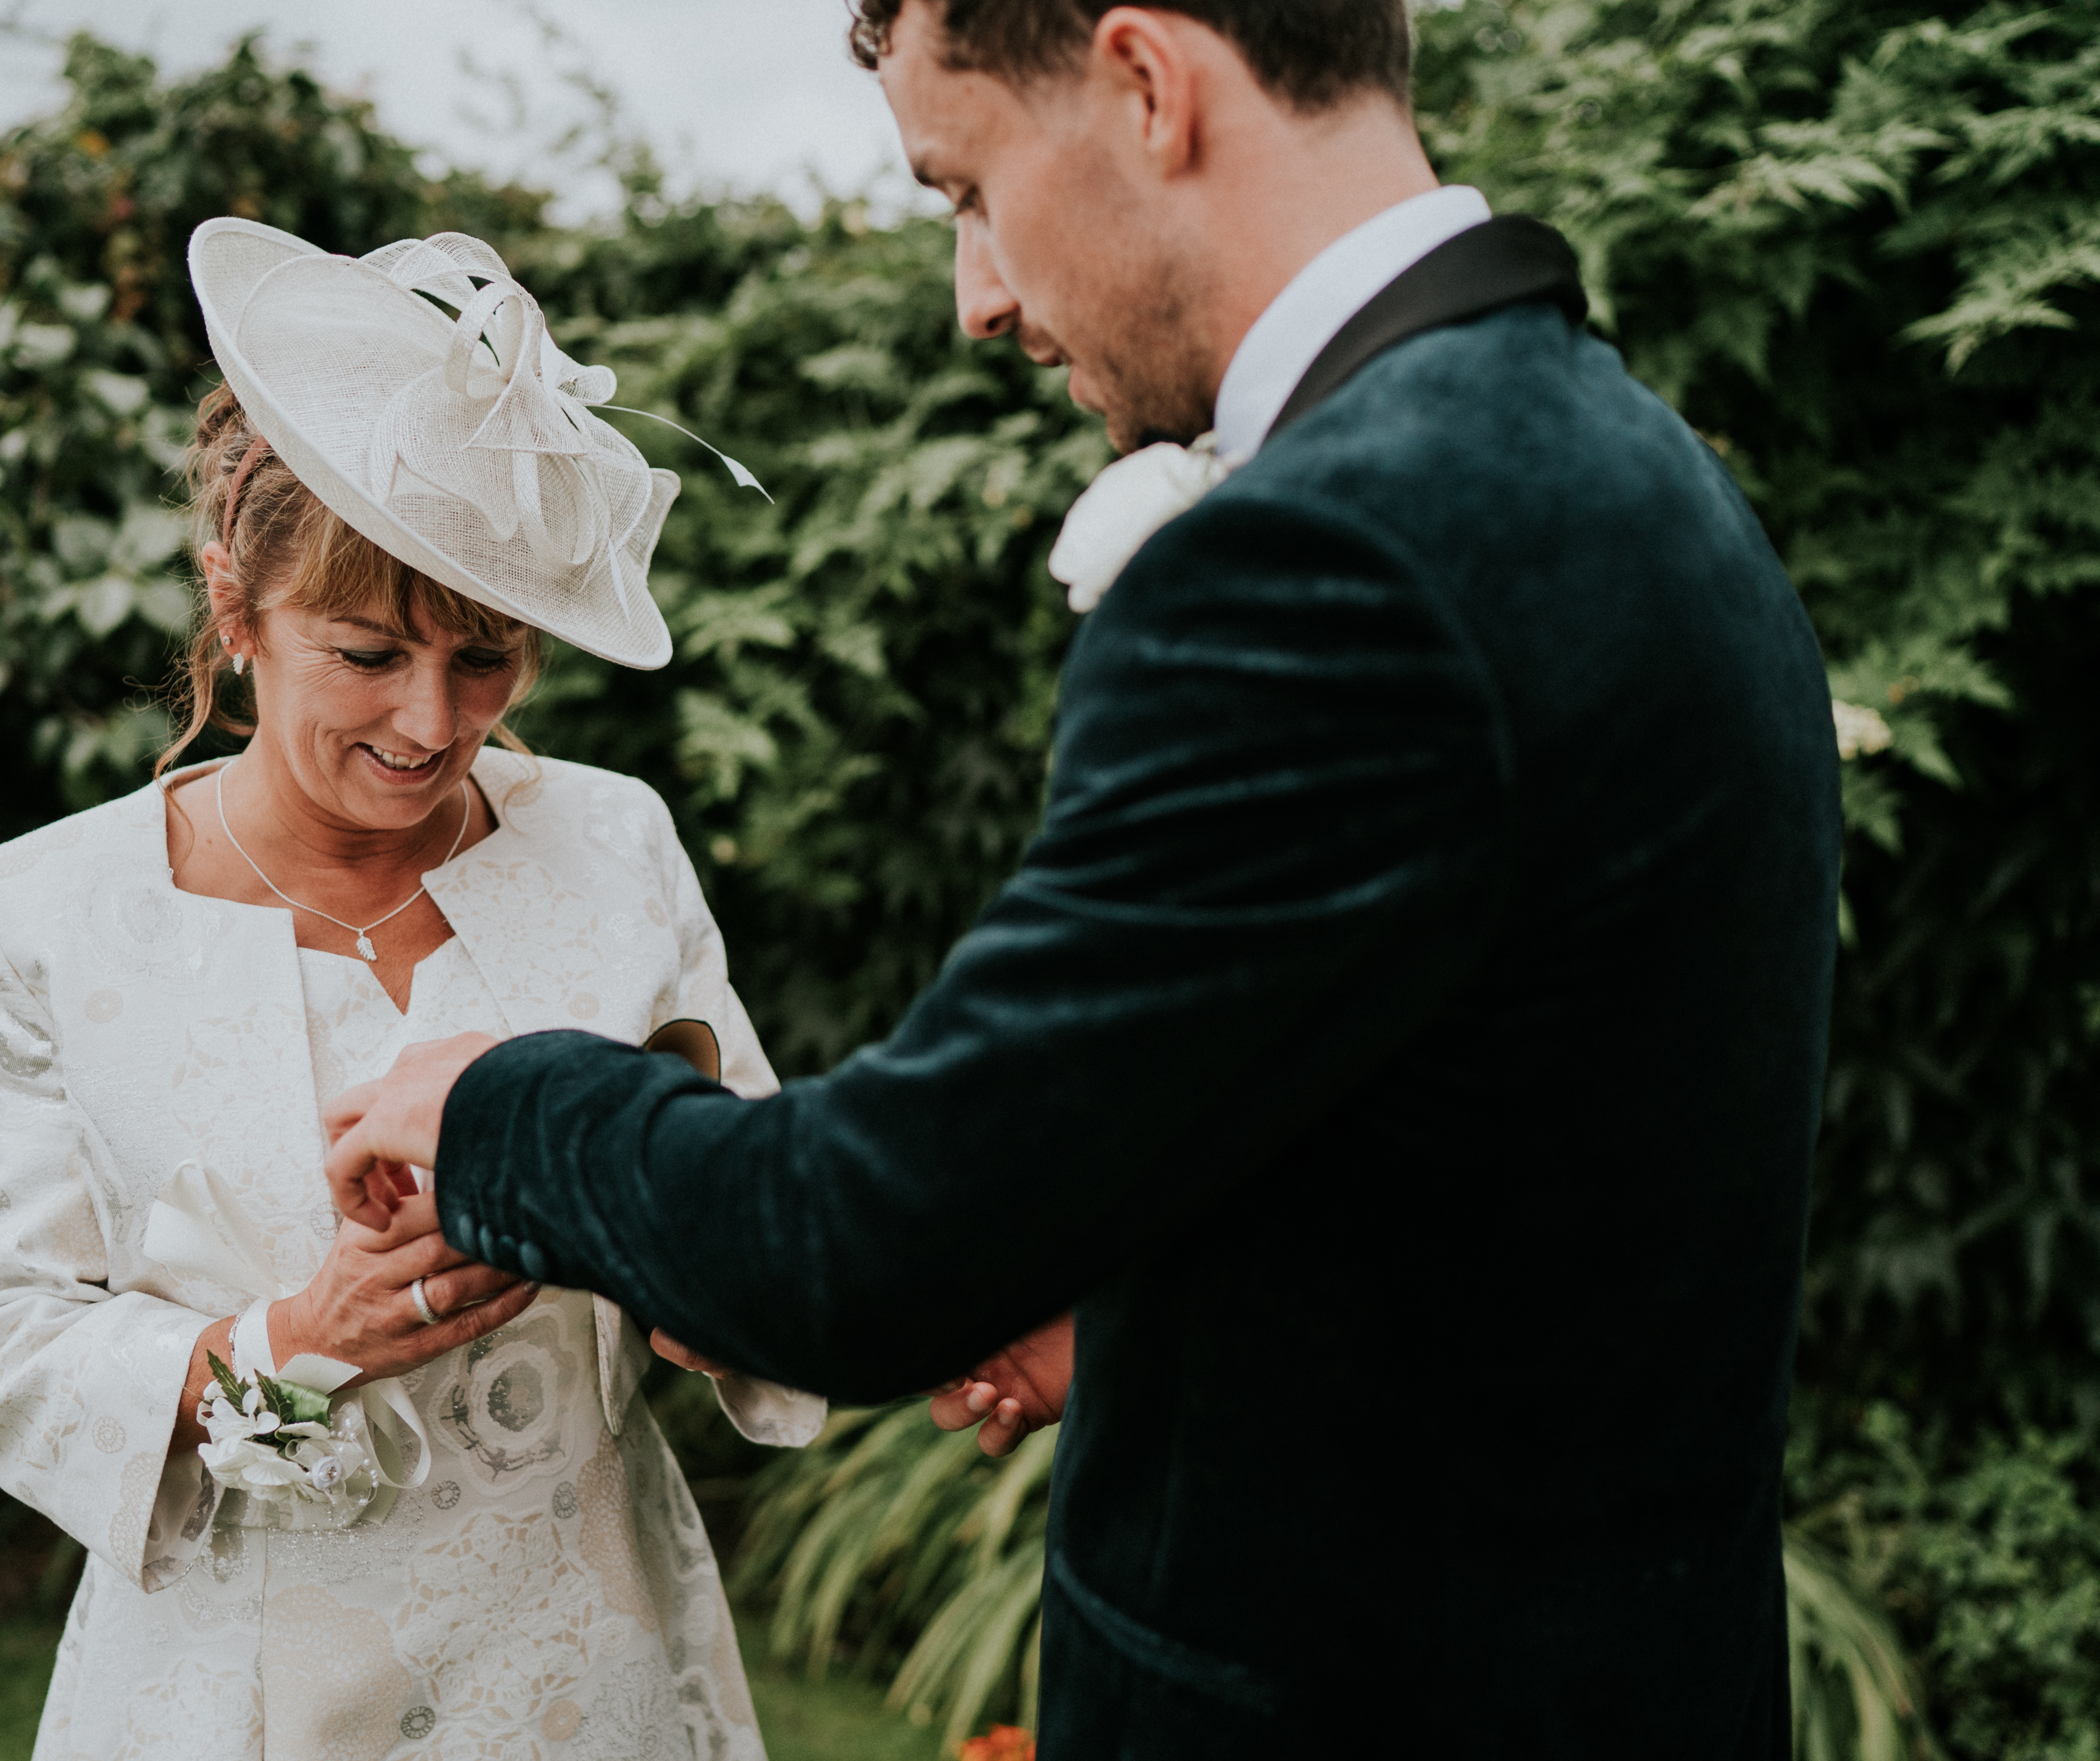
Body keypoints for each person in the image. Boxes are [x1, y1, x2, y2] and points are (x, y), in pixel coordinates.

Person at [322, 4, 1842, 1756]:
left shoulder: (1322, 562)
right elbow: (1505, 1207)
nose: (979, 295)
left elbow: (858, 1240)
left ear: (1143, 80)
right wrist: (1152, 1314)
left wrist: (495, 1112)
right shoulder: (1649, 485)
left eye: (966, 187)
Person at [0, 221, 819, 1761]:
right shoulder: (29, 918)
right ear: (235, 608)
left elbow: (761, 1198)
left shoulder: (612, 842)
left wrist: (696, 1274)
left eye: (487, 658)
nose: (431, 719)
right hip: (234, 1686)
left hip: (585, 1657)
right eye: (368, 652)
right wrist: (294, 1347)